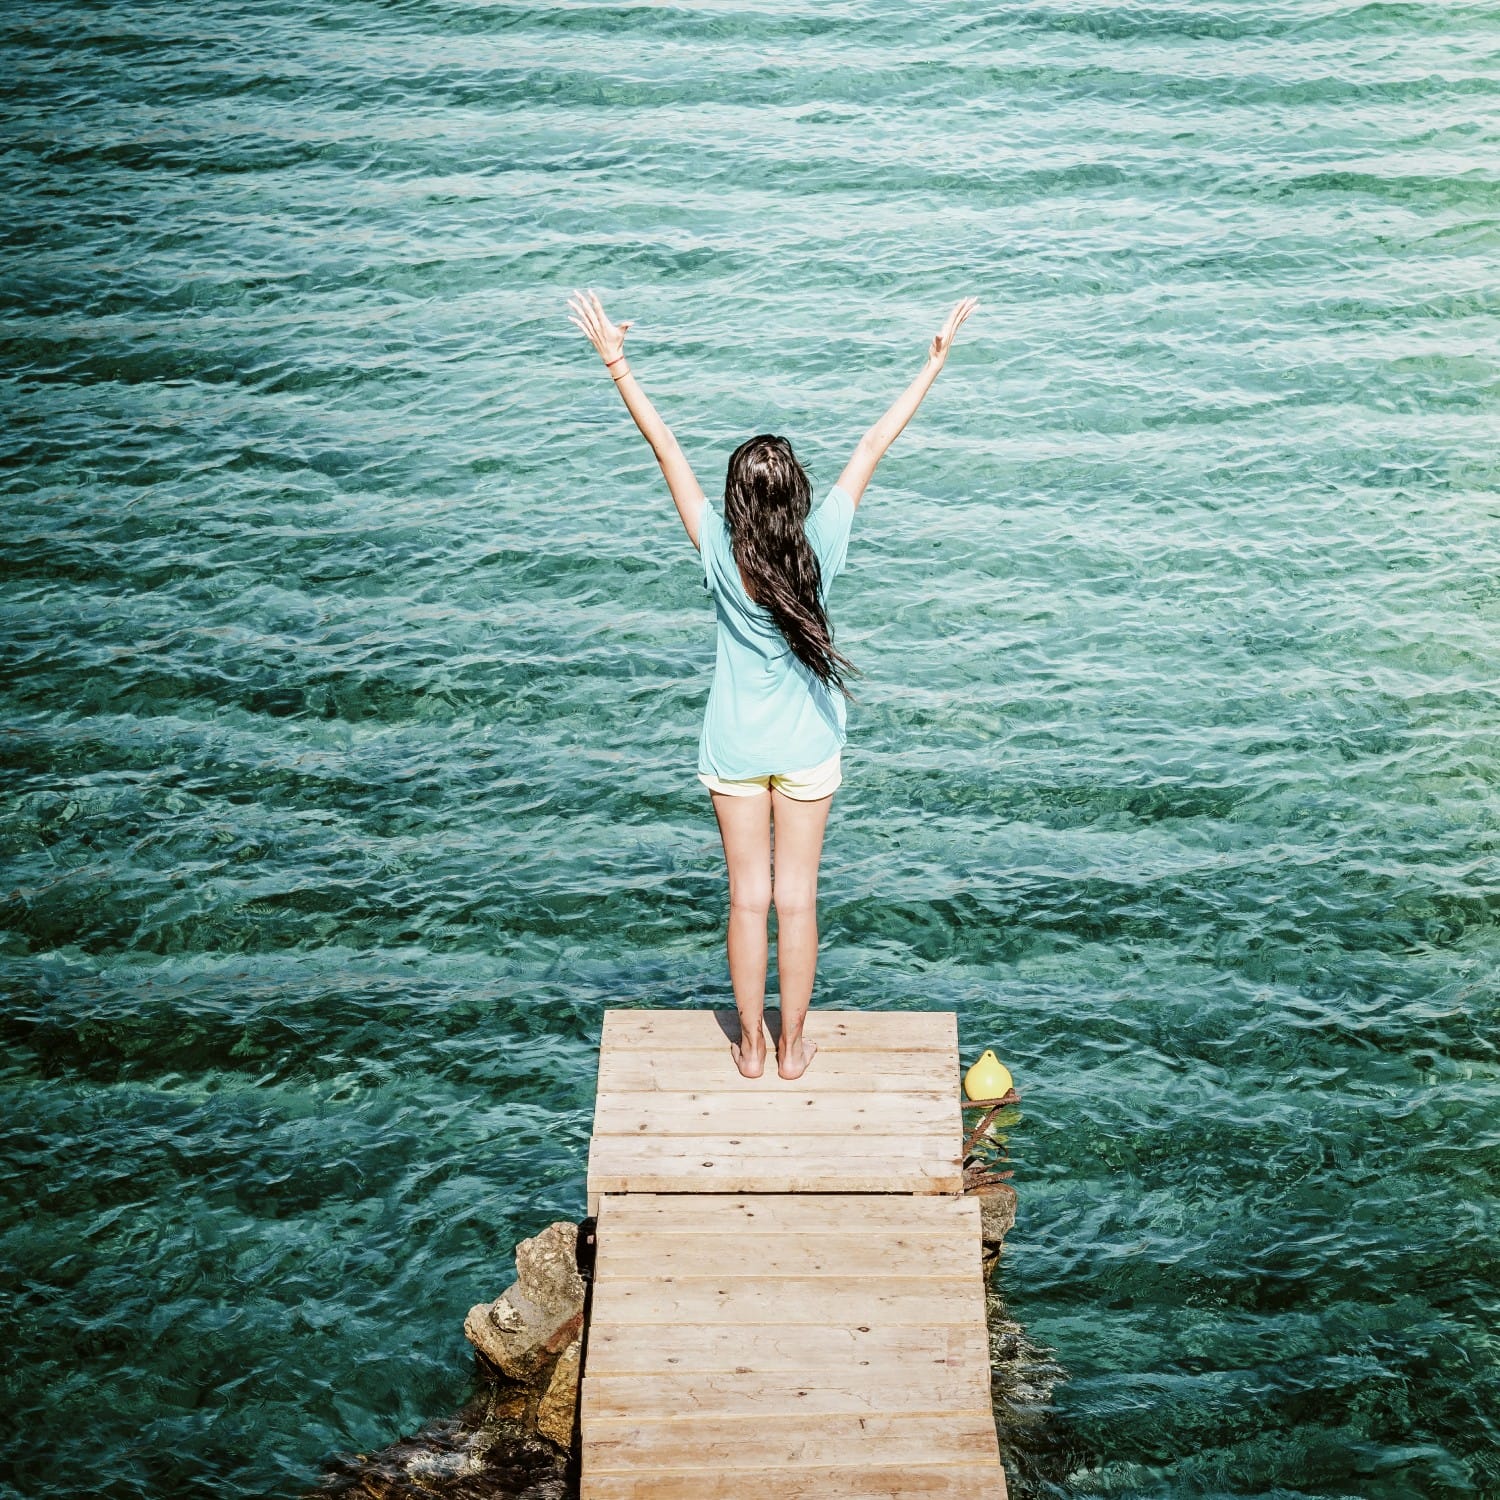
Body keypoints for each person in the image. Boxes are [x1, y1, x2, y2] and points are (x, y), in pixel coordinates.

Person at [566, 289, 978, 1080]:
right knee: (798, 901)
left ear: (736, 503)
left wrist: (616, 362)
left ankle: (748, 1047)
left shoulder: (720, 553)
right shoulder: (820, 546)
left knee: (746, 899)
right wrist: (932, 364)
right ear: (796, 499)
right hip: (809, 749)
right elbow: (870, 446)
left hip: (733, 746)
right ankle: (794, 1050)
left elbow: (667, 451)